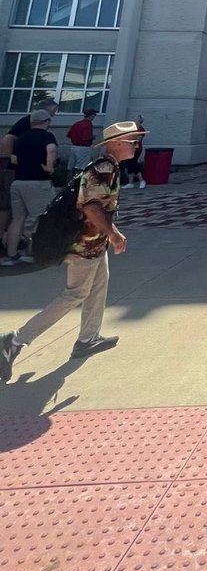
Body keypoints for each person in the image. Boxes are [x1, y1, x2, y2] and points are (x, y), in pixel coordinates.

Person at [0, 120, 135, 383]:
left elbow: (102, 207)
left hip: (94, 243)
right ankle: (14, 341)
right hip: (83, 245)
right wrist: (113, 233)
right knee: (74, 295)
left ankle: (88, 338)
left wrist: (108, 234)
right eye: (132, 140)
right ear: (115, 144)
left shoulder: (111, 168)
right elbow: (92, 208)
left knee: (98, 288)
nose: (136, 145)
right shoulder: (103, 169)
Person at [0, 98, 58, 253]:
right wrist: (50, 166)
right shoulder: (47, 136)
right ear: (45, 120)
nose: (53, 118)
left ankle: (11, 253)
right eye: (52, 115)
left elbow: (16, 156)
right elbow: (51, 150)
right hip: (37, 181)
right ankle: (32, 253)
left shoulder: (22, 139)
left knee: (17, 219)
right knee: (40, 217)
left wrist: (12, 161)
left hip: (18, 181)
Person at [120, 115, 146, 188]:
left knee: (133, 164)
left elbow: (138, 139)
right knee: (129, 164)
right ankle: (130, 183)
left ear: (140, 120)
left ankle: (142, 181)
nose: (135, 120)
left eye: (137, 119)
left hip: (136, 149)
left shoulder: (141, 129)